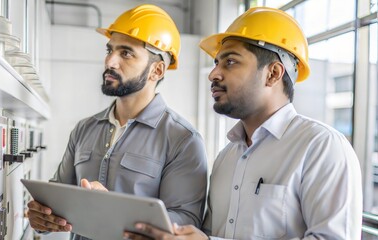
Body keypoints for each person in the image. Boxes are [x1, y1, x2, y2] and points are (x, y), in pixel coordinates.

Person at [125, 6, 363, 240]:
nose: (213, 74)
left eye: (230, 62)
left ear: (273, 73)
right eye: (217, 63)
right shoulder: (227, 157)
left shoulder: (321, 147)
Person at [26, 4, 208, 240]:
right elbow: (57, 199)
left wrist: (112, 210)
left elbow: (186, 223)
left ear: (157, 70)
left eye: (126, 53)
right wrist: (42, 217)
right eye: (109, 50)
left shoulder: (183, 140)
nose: (110, 62)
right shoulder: (85, 129)